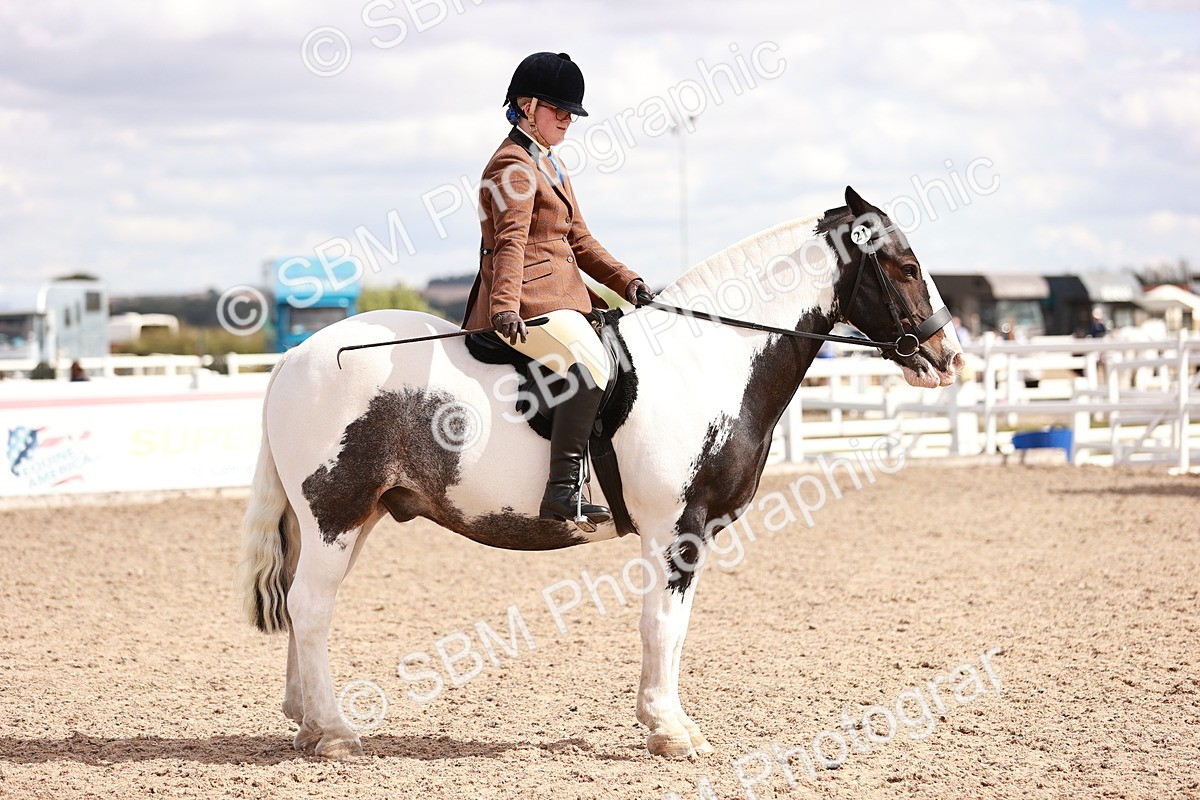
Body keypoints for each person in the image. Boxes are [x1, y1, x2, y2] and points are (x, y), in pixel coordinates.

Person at [461, 52, 655, 531]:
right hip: (524, 303)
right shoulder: (513, 165)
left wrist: (627, 282)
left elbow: (580, 241)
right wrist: (504, 306)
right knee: (591, 362)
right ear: (527, 106)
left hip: (562, 298)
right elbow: (510, 242)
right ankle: (562, 492)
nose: (569, 119)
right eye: (559, 109)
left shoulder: (549, 164)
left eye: (572, 112)